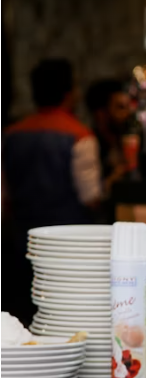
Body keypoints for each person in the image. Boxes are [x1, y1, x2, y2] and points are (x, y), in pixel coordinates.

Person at [2, 59, 102, 322]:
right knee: (64, 316)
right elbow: (91, 197)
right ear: (70, 93)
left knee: (24, 315)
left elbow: (4, 196)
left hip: (21, 243)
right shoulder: (80, 136)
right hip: (69, 248)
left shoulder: (11, 135)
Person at [85, 80, 131, 210]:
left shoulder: (128, 141)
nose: (128, 114)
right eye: (120, 107)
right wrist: (115, 176)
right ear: (101, 113)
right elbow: (91, 197)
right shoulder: (88, 147)